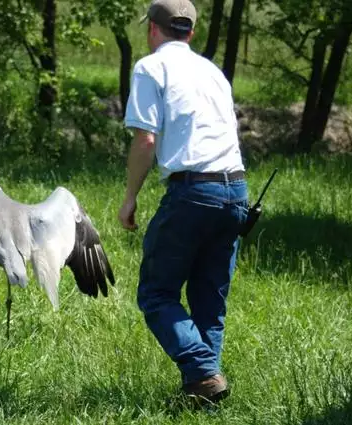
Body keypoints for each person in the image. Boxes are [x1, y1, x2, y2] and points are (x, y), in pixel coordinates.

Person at [118, 0, 249, 405]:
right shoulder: (213, 72)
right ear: (189, 32)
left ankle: (204, 371)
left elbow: (146, 140)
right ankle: (203, 393)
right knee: (210, 299)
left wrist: (129, 198)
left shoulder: (151, 66)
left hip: (193, 192)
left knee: (156, 294)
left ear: (152, 30)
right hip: (236, 190)